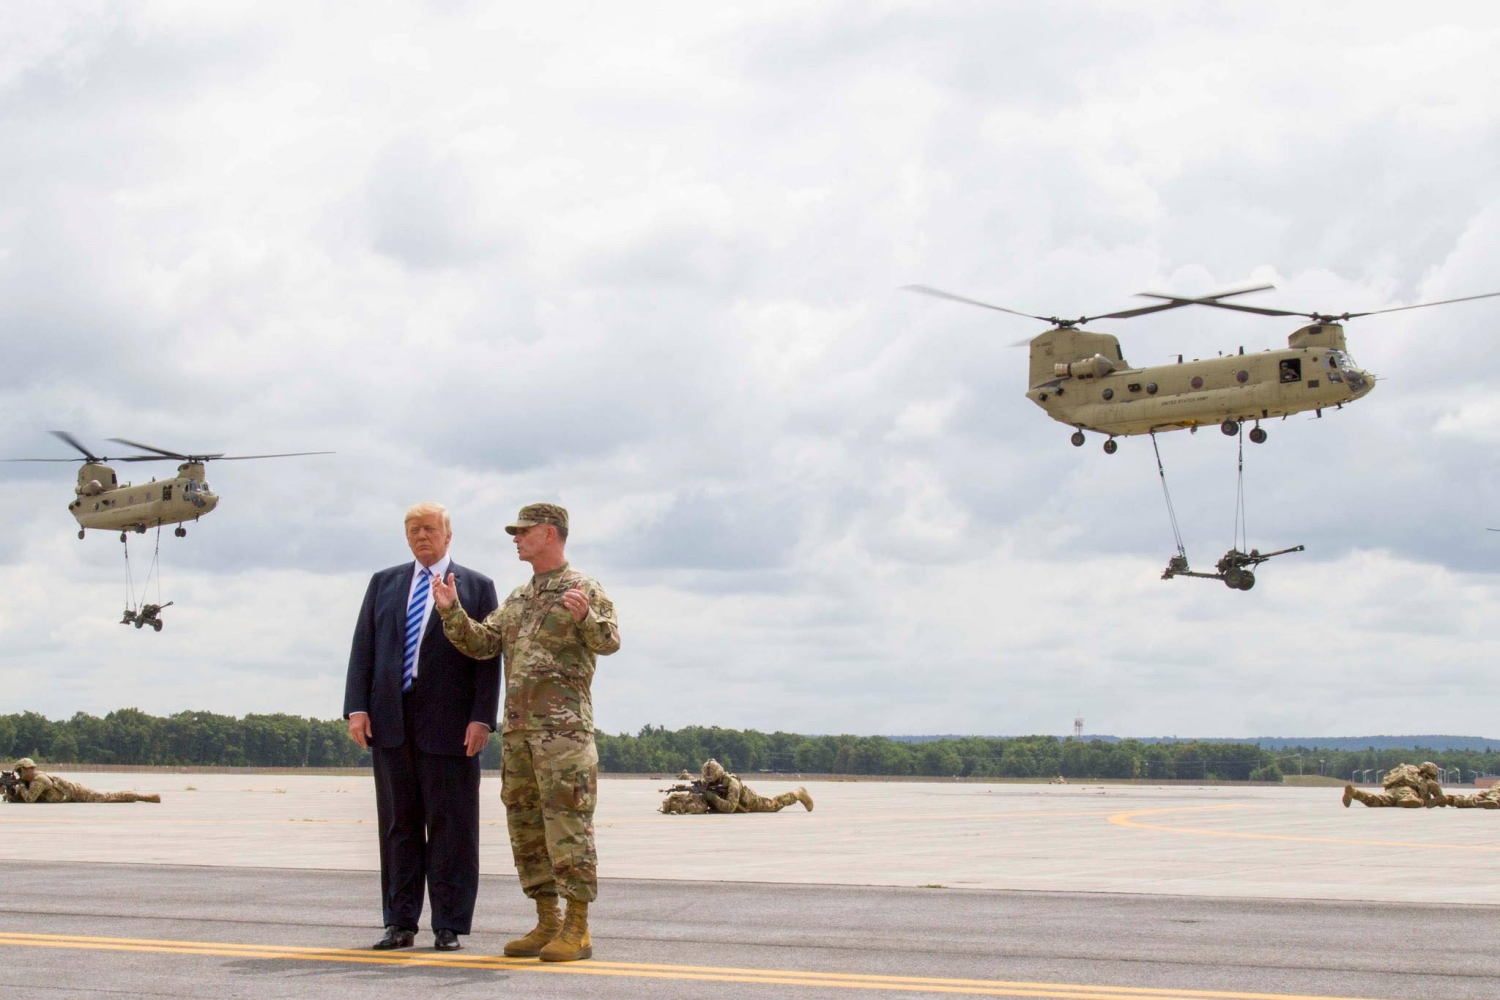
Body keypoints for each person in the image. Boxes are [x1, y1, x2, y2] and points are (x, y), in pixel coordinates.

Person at [434, 502, 619, 963]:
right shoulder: (518, 598)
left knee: (568, 828)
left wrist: (586, 618)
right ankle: (547, 920)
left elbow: (610, 641)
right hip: (518, 737)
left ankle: (578, 926)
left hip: (564, 737)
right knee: (527, 828)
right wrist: (451, 611)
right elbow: (482, 644)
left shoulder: (583, 587)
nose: (516, 538)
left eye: (523, 531)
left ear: (550, 534)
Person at [343, 501, 500, 953]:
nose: (421, 536)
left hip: (452, 728)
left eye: (430, 528)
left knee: (452, 827)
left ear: (448, 535)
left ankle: (449, 924)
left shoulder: (477, 586)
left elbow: (489, 658)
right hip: (391, 722)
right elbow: (363, 647)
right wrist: (357, 708)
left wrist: (482, 717)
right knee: (399, 826)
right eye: (413, 529)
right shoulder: (384, 583)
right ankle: (399, 922)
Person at [3, 759, 160, 803]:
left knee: (106, 797)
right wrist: (9, 792)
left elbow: (30, 799)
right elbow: (20, 799)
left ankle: (142, 797)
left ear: (26, 769)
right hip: (67, 796)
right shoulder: (29, 783)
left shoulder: (39, 779)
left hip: (75, 792)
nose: (19, 775)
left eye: (20, 771)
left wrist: (20, 786)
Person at [695, 759, 813, 814]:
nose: (710, 781)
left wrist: (713, 797)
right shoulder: (707, 782)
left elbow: (730, 808)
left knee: (774, 805)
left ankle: (797, 793)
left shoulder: (732, 783)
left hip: (751, 802)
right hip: (737, 806)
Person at [1342, 762, 1445, 808]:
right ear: (1432, 773)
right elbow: (1441, 800)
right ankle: (1408, 800)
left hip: (1391, 789)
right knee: (1414, 800)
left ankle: (1355, 793)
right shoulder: (1428, 781)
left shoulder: (1409, 773)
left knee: (1377, 800)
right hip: (1407, 791)